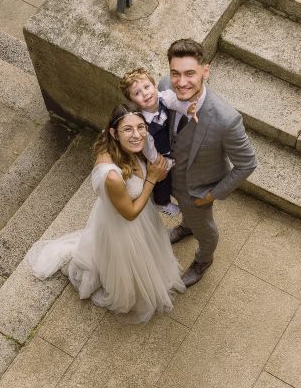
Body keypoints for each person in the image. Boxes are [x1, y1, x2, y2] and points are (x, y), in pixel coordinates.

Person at [25, 102, 185, 323]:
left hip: (138, 214)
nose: (137, 135)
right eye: (128, 129)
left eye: (141, 127)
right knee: (129, 264)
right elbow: (129, 213)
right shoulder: (112, 175)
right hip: (126, 223)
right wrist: (152, 179)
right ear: (114, 133)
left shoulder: (131, 145)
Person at [162, 39, 258, 287]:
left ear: (206, 71)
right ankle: (186, 226)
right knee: (189, 217)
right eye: (176, 73)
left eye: (190, 73)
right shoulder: (164, 87)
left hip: (197, 190)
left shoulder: (226, 120)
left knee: (206, 231)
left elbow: (247, 163)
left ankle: (204, 260)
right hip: (168, 177)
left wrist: (212, 195)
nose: (181, 82)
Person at [120, 68, 195, 217]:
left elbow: (175, 101)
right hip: (154, 152)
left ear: (154, 86)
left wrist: (189, 109)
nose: (145, 93)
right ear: (132, 101)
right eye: (137, 93)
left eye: (147, 87)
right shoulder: (142, 125)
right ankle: (161, 202)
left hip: (168, 144)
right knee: (162, 179)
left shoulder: (163, 97)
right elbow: (148, 149)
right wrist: (160, 162)